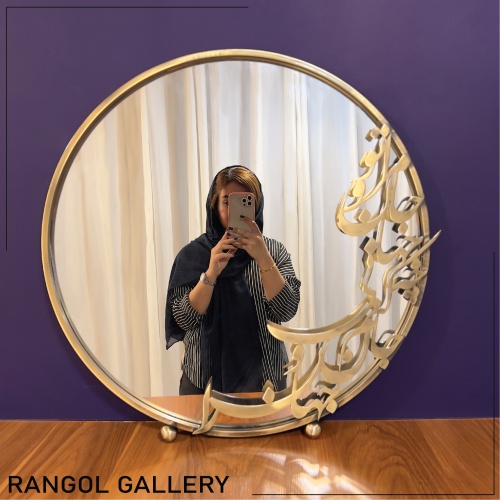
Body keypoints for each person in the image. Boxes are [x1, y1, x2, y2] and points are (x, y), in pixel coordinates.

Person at [165, 166, 301, 395]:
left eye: (245, 201)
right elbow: (183, 320)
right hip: (202, 381)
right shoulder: (193, 255)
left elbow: (286, 309)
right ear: (214, 205)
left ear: (257, 205)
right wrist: (211, 273)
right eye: (227, 201)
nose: (232, 210)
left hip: (266, 381)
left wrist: (263, 258)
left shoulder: (274, 252)